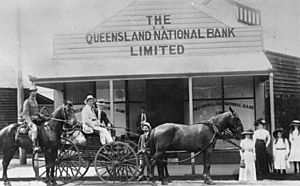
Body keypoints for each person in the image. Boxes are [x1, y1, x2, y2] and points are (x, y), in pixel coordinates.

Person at [23, 85, 46, 152]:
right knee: (35, 129)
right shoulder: (27, 101)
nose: (34, 93)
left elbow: (36, 111)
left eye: (35, 91)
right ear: (30, 93)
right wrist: (29, 122)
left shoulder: (35, 101)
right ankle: (34, 146)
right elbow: (25, 114)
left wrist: (40, 114)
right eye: (33, 92)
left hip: (37, 119)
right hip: (31, 120)